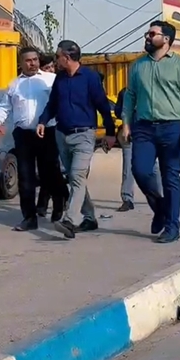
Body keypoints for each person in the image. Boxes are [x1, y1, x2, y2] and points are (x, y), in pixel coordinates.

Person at [122, 21, 180, 243]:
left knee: (170, 177)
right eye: (147, 33)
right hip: (144, 127)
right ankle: (161, 208)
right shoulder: (138, 66)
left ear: (166, 39)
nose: (147, 37)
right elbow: (130, 96)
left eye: (152, 33)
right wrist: (126, 124)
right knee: (140, 170)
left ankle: (172, 226)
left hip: (172, 128)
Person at [37, 40, 116, 238]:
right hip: (62, 134)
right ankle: (89, 217)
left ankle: (70, 220)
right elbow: (52, 104)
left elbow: (103, 106)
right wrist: (42, 121)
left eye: (57, 56)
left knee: (76, 176)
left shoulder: (89, 78)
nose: (55, 60)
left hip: (84, 135)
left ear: (67, 57)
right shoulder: (60, 78)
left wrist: (110, 132)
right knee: (75, 179)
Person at [0, 47, 67, 231]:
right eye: (28, 60)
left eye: (35, 59)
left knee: (50, 173)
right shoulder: (14, 84)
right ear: (20, 63)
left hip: (47, 133)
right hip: (23, 134)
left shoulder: (50, 80)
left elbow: (61, 102)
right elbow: (4, 106)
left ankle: (59, 203)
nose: (32, 63)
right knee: (26, 177)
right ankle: (29, 217)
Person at [114, 86, 162, 212]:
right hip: (131, 133)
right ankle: (128, 198)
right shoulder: (126, 92)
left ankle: (159, 195)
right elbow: (118, 111)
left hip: (145, 134)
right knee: (129, 166)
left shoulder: (149, 90)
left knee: (152, 166)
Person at [37, 53, 68, 218]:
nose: (50, 70)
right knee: (45, 170)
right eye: (46, 68)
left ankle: (53, 203)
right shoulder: (37, 81)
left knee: (52, 168)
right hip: (39, 127)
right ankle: (46, 202)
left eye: (51, 67)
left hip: (53, 128)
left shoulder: (57, 80)